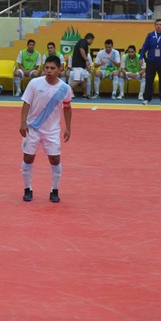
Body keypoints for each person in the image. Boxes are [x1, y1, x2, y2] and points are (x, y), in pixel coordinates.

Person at [20, 55, 73, 203]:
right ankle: (27, 188)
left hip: (52, 131)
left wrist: (68, 128)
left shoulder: (64, 89)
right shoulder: (34, 83)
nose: (49, 71)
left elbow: (67, 108)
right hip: (32, 129)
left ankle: (54, 190)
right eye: (47, 68)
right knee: (28, 158)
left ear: (59, 69)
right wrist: (23, 122)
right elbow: (26, 104)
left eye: (53, 68)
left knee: (55, 160)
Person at [69, 32, 94, 98]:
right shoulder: (83, 41)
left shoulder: (82, 42)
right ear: (90, 39)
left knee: (84, 80)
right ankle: (66, 90)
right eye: (92, 40)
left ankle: (86, 94)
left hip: (81, 65)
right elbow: (81, 49)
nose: (92, 42)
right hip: (78, 65)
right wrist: (86, 60)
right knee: (77, 80)